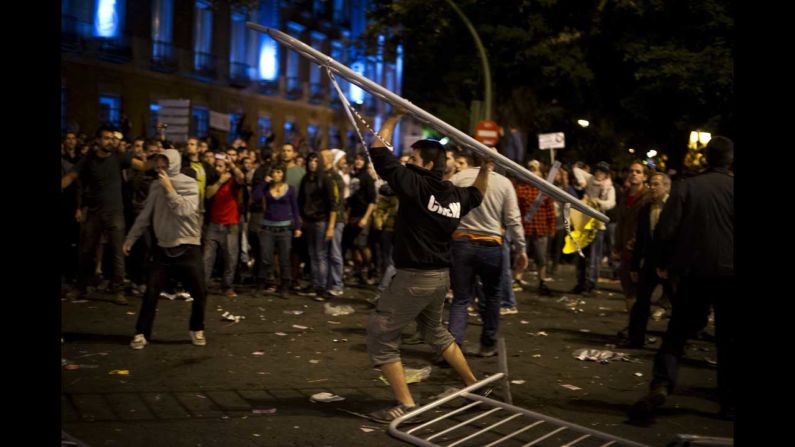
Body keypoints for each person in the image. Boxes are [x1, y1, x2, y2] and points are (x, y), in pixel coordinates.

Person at [365, 115, 492, 423]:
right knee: (434, 331)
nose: (408, 161)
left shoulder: (414, 184)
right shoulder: (452, 194)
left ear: (423, 164)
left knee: (381, 334)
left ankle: (405, 404)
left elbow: (378, 151)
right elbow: (477, 194)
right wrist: (486, 168)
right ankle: (473, 386)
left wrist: (393, 116)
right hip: (439, 278)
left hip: (414, 277)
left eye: (413, 158)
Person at [629, 136, 735, 421]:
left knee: (677, 333)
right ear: (730, 160)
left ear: (706, 158)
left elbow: (665, 230)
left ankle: (662, 384)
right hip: (729, 274)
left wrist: (662, 264)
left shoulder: (688, 186)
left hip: (694, 271)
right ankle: (728, 402)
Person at [123, 149, 207, 350]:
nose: (161, 171)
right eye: (158, 167)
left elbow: (185, 210)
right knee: (151, 292)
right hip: (163, 247)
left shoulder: (190, 184)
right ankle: (141, 332)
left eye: (165, 167)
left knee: (200, 291)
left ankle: (197, 328)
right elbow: (145, 215)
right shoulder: (155, 186)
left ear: (174, 165)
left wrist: (169, 188)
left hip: (188, 245)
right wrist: (130, 238)